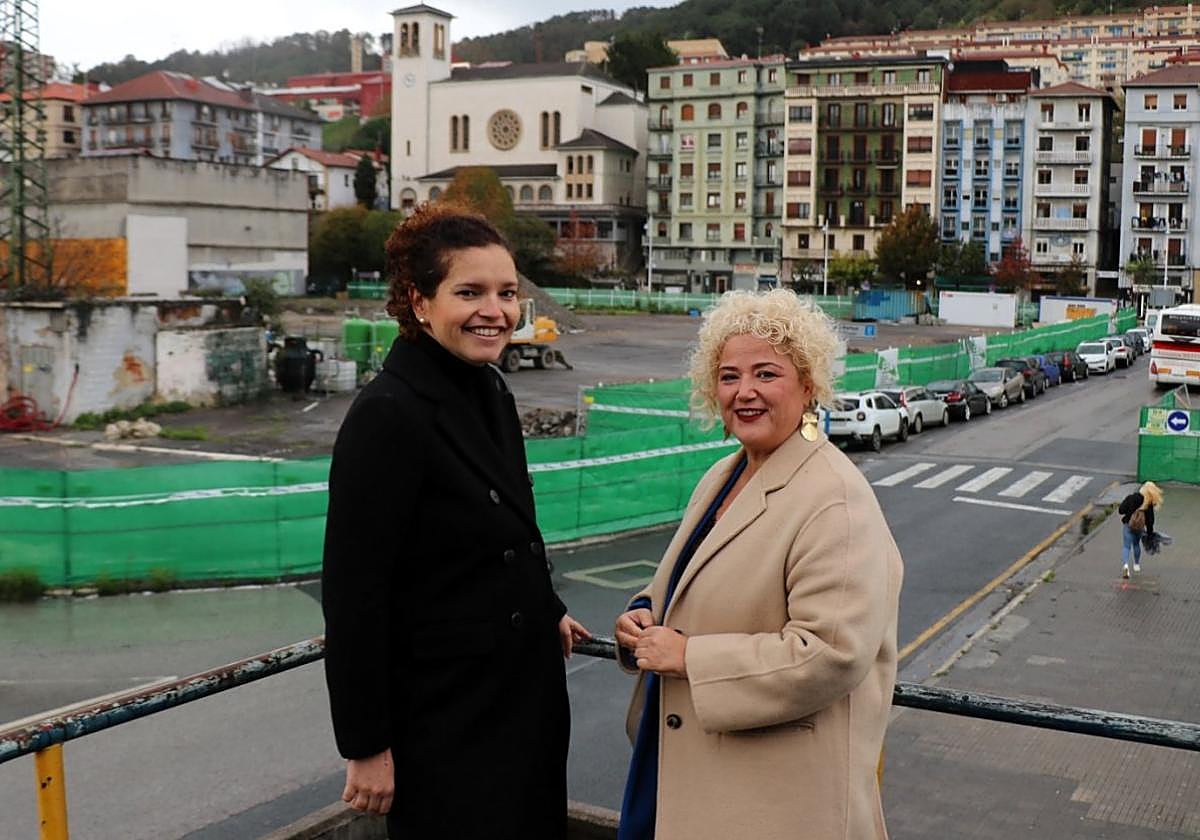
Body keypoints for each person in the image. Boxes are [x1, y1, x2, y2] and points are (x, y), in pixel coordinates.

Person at [321, 202, 590, 839]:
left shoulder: (489, 389)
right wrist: (366, 744)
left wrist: (545, 606)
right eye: (469, 292)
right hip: (446, 719)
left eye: (507, 293)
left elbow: (511, 528)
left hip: (520, 700)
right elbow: (355, 594)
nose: (495, 311)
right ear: (419, 301)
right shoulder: (388, 413)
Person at [614, 289, 904, 840]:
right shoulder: (722, 476)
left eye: (766, 374)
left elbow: (832, 652)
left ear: (809, 386)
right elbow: (683, 587)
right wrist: (642, 616)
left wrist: (688, 656)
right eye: (729, 376)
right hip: (681, 769)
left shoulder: (835, 498)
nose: (744, 391)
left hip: (770, 802)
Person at [1118, 480, 1163, 578]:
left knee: (1126, 546)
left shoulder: (1131, 498)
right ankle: (1136, 565)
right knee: (1136, 545)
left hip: (1128, 525)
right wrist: (1150, 533)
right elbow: (1150, 521)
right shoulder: (1148, 504)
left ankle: (1125, 566)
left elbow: (1121, 510)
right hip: (1139, 528)